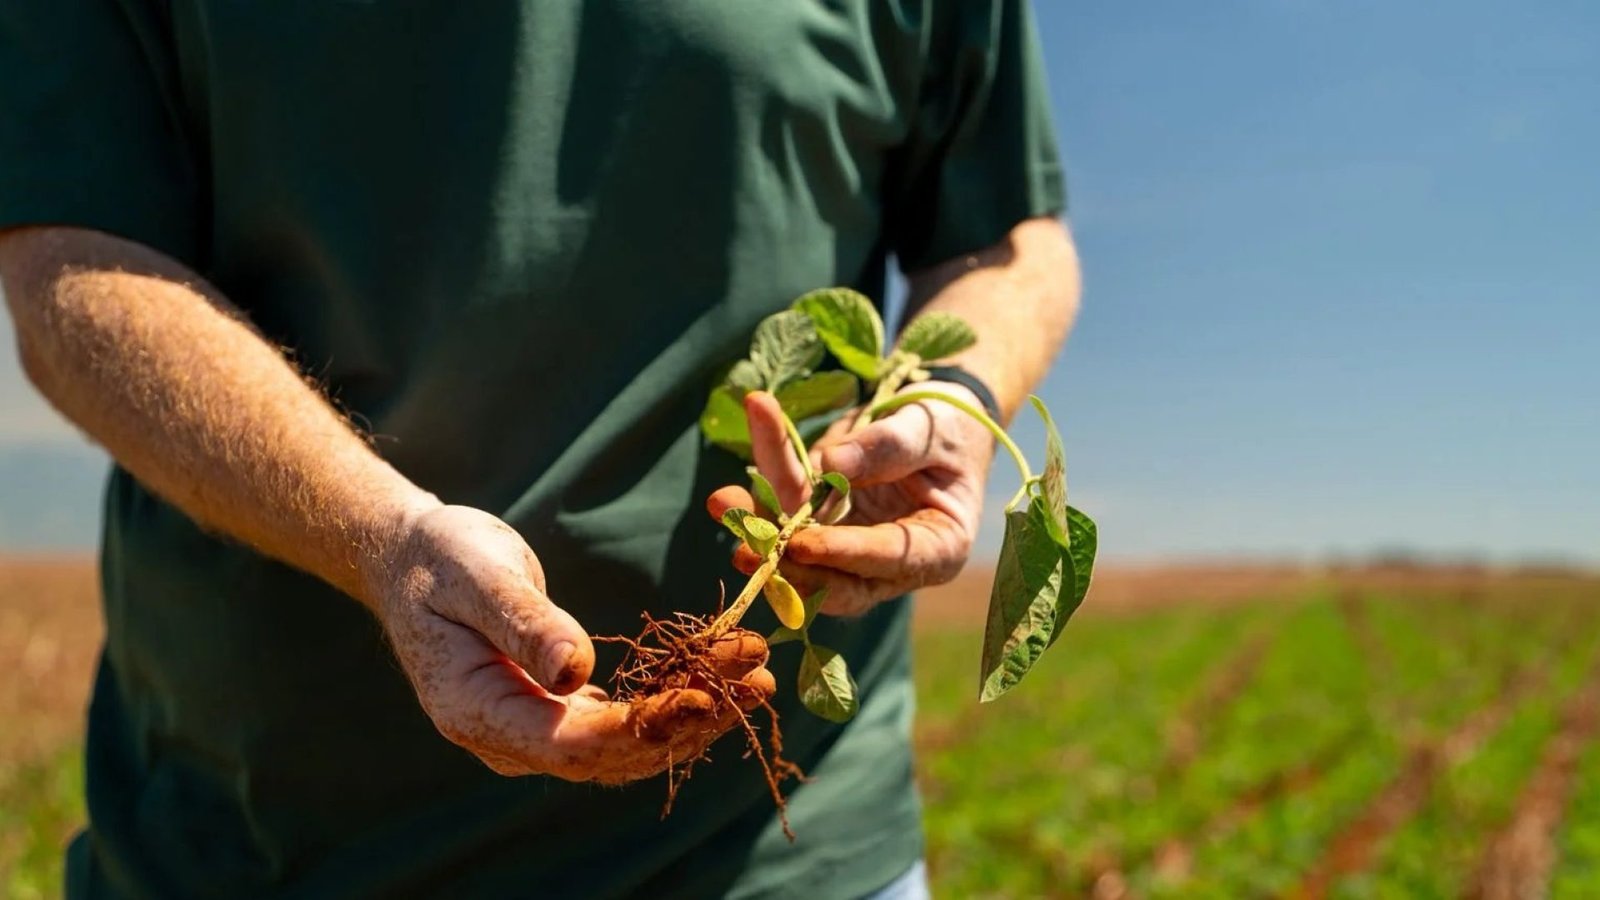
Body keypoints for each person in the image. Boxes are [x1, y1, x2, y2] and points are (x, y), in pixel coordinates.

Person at [0, 1, 1081, 897]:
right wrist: (381, 537)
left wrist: (956, 390)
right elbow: (71, 263)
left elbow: (1010, 241)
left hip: (780, 855)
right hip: (261, 843)